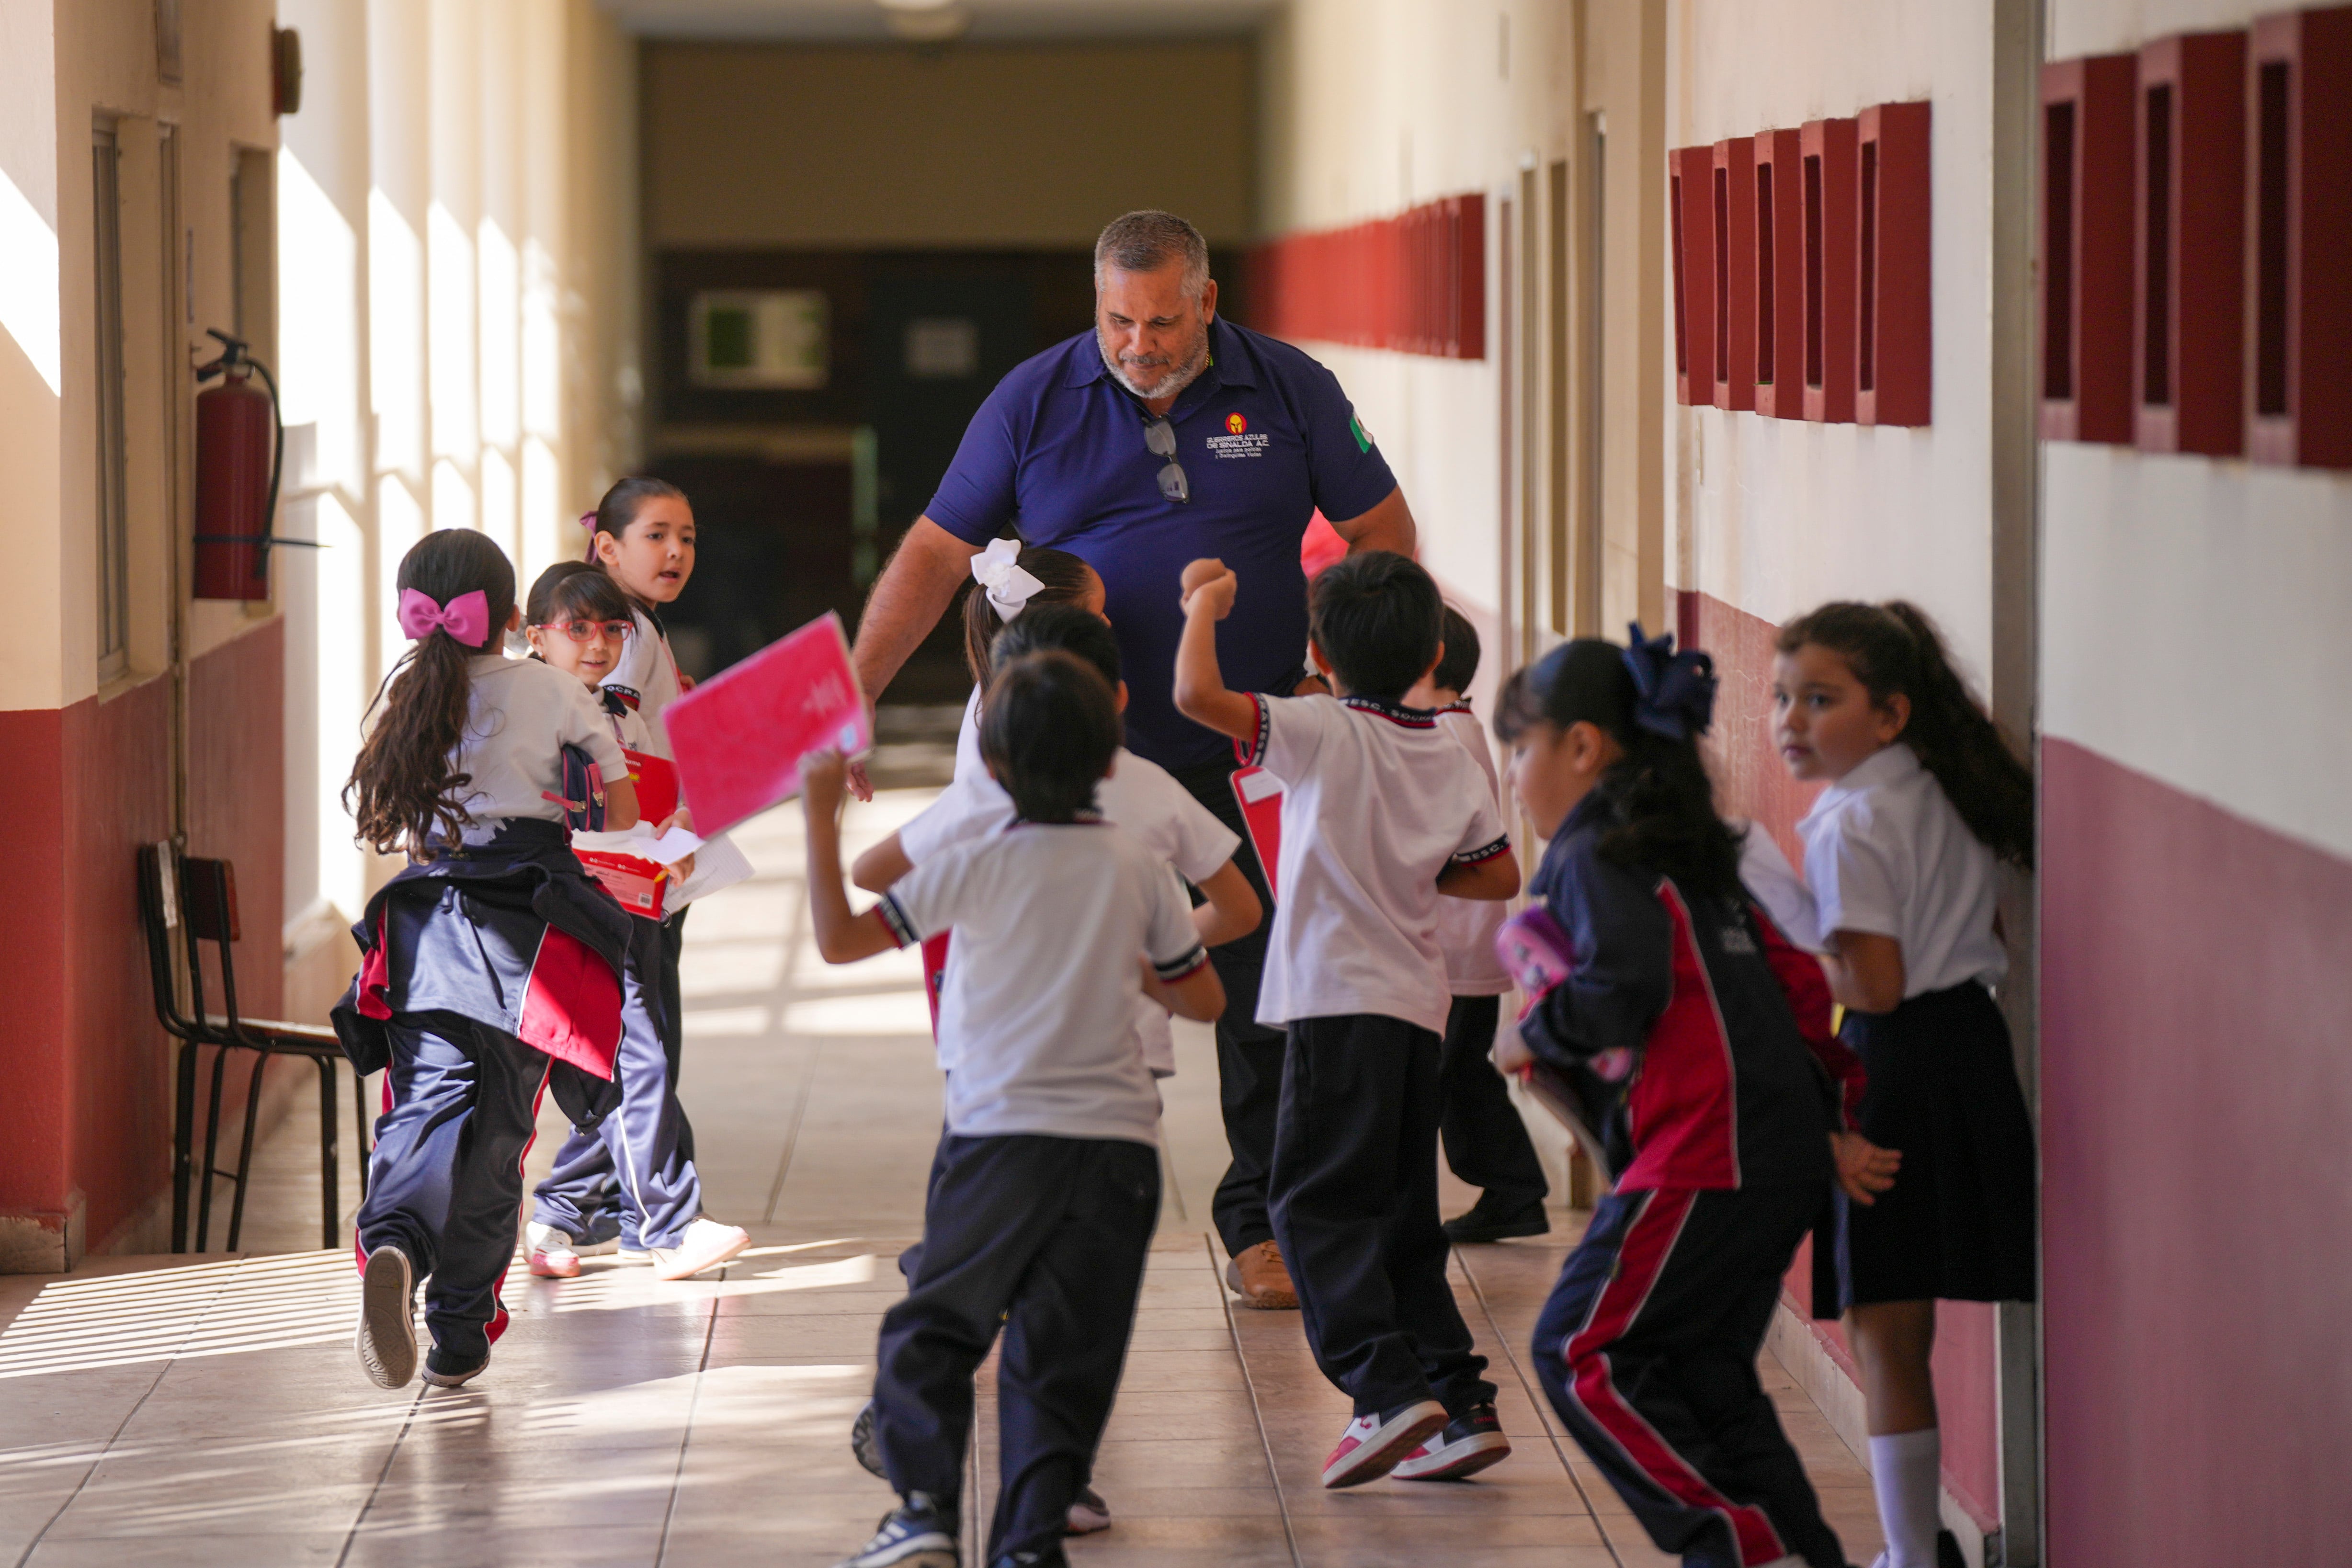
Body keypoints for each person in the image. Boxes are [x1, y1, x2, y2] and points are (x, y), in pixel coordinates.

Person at [845, 210, 1418, 1311]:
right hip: (1074, 760)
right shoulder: (1033, 397)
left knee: (1263, 995)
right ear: (1094, 303)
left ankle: (1258, 1222)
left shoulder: (1289, 386)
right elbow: (932, 550)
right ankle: (1009, 1225)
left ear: (1205, 301)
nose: (1138, 344)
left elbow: (1383, 531)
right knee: (1044, 999)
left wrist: (1332, 665)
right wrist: (854, 694)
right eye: (1118, 319)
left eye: (1162, 320)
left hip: (1245, 745)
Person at [845, 604, 1261, 1541]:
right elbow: (1216, 964)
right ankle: (1035, 1520)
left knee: (950, 1294)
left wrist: (814, 811)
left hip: (995, 1107)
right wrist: (1142, 960)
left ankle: (920, 1504)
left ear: (988, 740)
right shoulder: (1143, 824)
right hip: (1117, 1115)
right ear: (1116, 704)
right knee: (1069, 1327)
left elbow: (860, 891)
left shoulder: (978, 825)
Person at [1495, 631, 1890, 1568]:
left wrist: (1534, 1032)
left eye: (1520, 747)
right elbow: (1793, 982)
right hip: (1772, 1147)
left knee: (1575, 1350)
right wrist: (1828, 1111)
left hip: (1706, 1150)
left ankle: (1731, 1544)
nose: (1513, 775)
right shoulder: (1689, 847)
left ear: (1582, 746)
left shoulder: (1593, 853)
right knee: (1706, 1375)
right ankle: (1802, 1552)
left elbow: (1621, 987)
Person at [1172, 549, 1521, 1488]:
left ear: (1317, 649)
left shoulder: (1317, 727)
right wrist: (1411, 873)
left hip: (1333, 1005)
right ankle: (1462, 1403)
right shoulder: (1450, 741)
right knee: (1405, 1212)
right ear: (1433, 647)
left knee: (1309, 1205)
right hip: (1419, 1008)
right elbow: (1497, 873)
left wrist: (1203, 604)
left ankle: (1382, 1387)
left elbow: (1195, 694)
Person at [332, 529, 646, 1391]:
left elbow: (398, 827)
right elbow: (617, 812)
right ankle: (461, 1328)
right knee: (502, 1130)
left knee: (427, 1101)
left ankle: (394, 1238)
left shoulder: (407, 696)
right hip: (529, 935)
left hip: (424, 927)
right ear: (513, 617)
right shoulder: (553, 689)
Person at [1773, 602, 2037, 1568]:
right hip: (1965, 1042)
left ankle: (1907, 1554)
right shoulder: (1941, 789)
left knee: (1882, 1326)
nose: (1789, 720)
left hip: (1892, 1059)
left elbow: (1872, 982)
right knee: (1903, 1311)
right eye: (1780, 697)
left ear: (1887, 713)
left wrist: (1799, 949)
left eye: (1818, 698)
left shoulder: (1847, 822)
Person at [516, 562, 750, 1284]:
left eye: (611, 629)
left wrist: (672, 839)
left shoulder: (626, 715)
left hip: (634, 909)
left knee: (622, 1066)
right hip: (568, 918)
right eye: (576, 628)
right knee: (630, 1061)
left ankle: (562, 1210)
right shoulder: (530, 713)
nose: (596, 643)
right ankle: (669, 1224)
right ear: (535, 638)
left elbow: (641, 808)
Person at [1405, 604, 1552, 1244]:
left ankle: (1513, 1189)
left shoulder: (1440, 734)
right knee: (1462, 1074)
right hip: (1461, 942)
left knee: (1447, 1076)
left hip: (1454, 945)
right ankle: (1513, 1189)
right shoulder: (1449, 723)